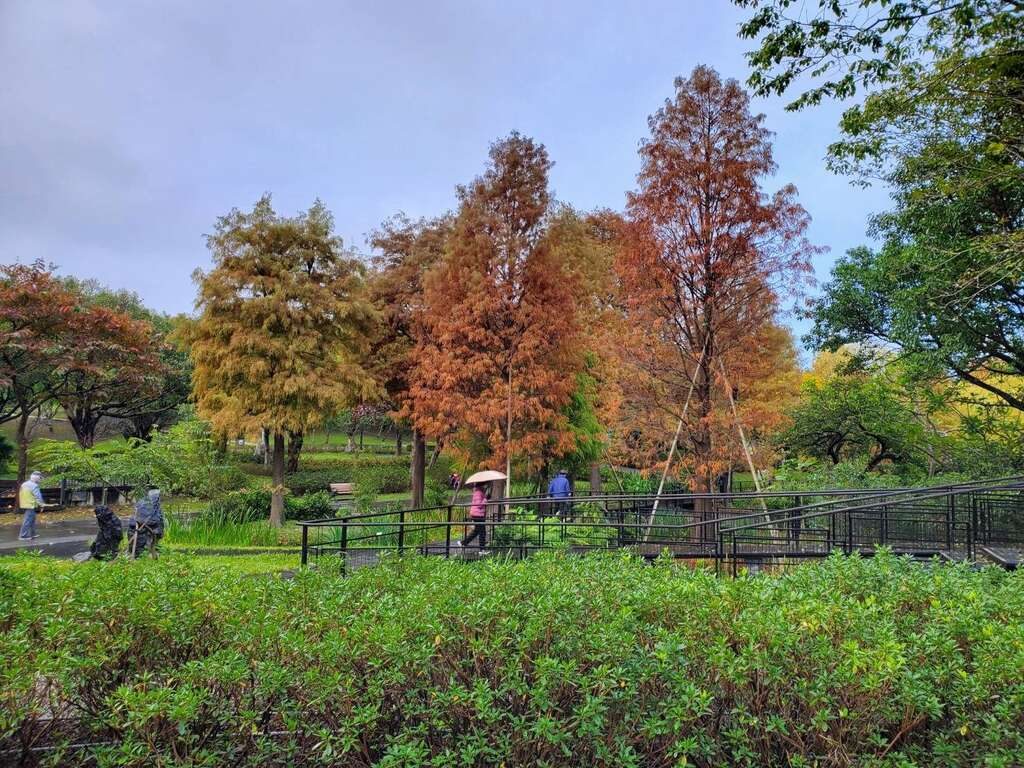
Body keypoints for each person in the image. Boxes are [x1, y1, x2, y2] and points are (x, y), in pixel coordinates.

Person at [128, 487, 164, 559]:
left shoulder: (143, 502)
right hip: (142, 525)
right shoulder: (149, 503)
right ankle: (149, 552)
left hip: (141, 524)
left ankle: (145, 551)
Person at [459, 484, 489, 549]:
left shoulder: (479, 492)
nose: (485, 486)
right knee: (482, 532)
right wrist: (485, 499)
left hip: (478, 514)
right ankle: (482, 550)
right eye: (485, 485)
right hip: (478, 514)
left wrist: (486, 498)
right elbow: (479, 505)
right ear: (481, 485)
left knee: (477, 531)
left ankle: (463, 543)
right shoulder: (478, 493)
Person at [18, 471, 45, 541]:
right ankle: (23, 536)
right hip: (30, 504)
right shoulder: (34, 485)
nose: (40, 480)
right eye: (40, 478)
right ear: (37, 478)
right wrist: (42, 505)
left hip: (25, 503)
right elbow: (38, 496)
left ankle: (33, 533)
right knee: (27, 521)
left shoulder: (25, 484)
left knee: (32, 519)